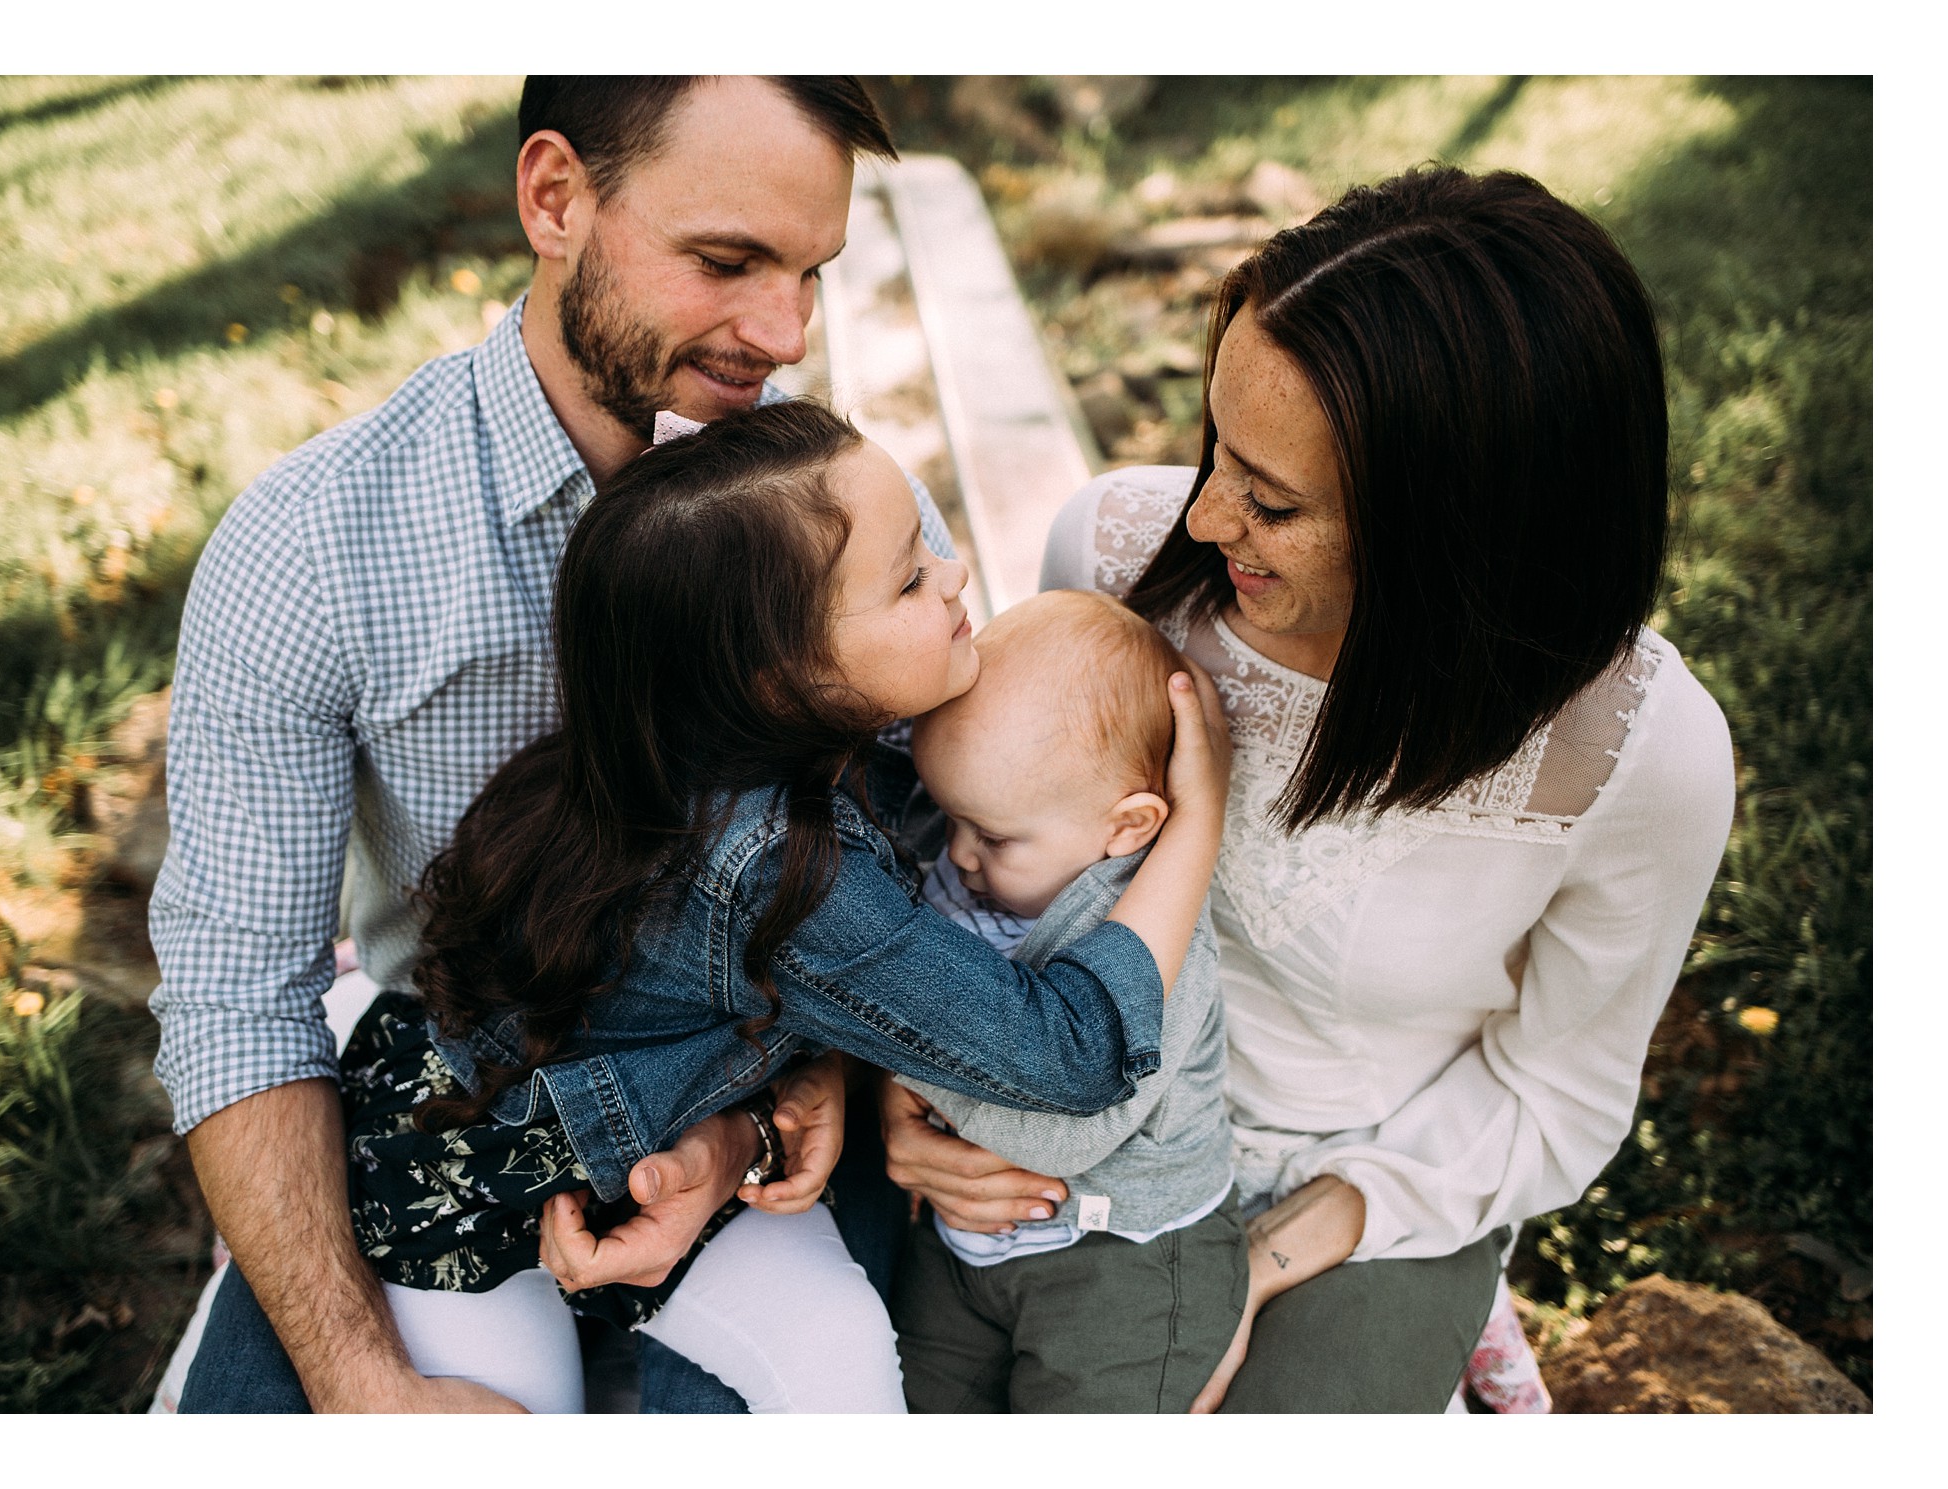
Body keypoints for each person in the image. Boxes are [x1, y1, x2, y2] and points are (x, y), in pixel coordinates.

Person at [879, 165, 1738, 1412]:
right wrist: (912, 1095)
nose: (1207, 510)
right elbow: (982, 857)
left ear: (1456, 535)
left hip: (1370, 1189)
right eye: (1214, 443)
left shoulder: (1637, 755)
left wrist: (1265, 1258)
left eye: (1272, 499)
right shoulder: (1116, 562)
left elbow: (1556, 1093)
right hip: (1076, 1116)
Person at [148, 76, 942, 1413]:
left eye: (809, 272)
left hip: (740, 1107)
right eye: (725, 261)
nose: (781, 332)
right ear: (555, 197)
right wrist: (361, 1387)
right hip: (447, 1098)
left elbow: (940, 834)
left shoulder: (847, 512)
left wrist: (815, 1076)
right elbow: (238, 997)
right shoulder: (313, 547)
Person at [332, 401, 1229, 1411]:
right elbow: (1067, 1058)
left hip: (639, 1133)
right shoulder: (776, 869)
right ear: (784, 676)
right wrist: (1196, 823)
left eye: (930, 550)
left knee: (835, 1360)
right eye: (908, 577)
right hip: (458, 1180)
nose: (955, 574)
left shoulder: (734, 741)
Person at [885, 589, 1245, 1412]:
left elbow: (1059, 1125)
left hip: (1126, 1262)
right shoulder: (972, 853)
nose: (962, 854)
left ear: (1127, 826)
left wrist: (886, 1042)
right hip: (963, 1243)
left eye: (995, 835)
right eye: (949, 816)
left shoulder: (1158, 937)